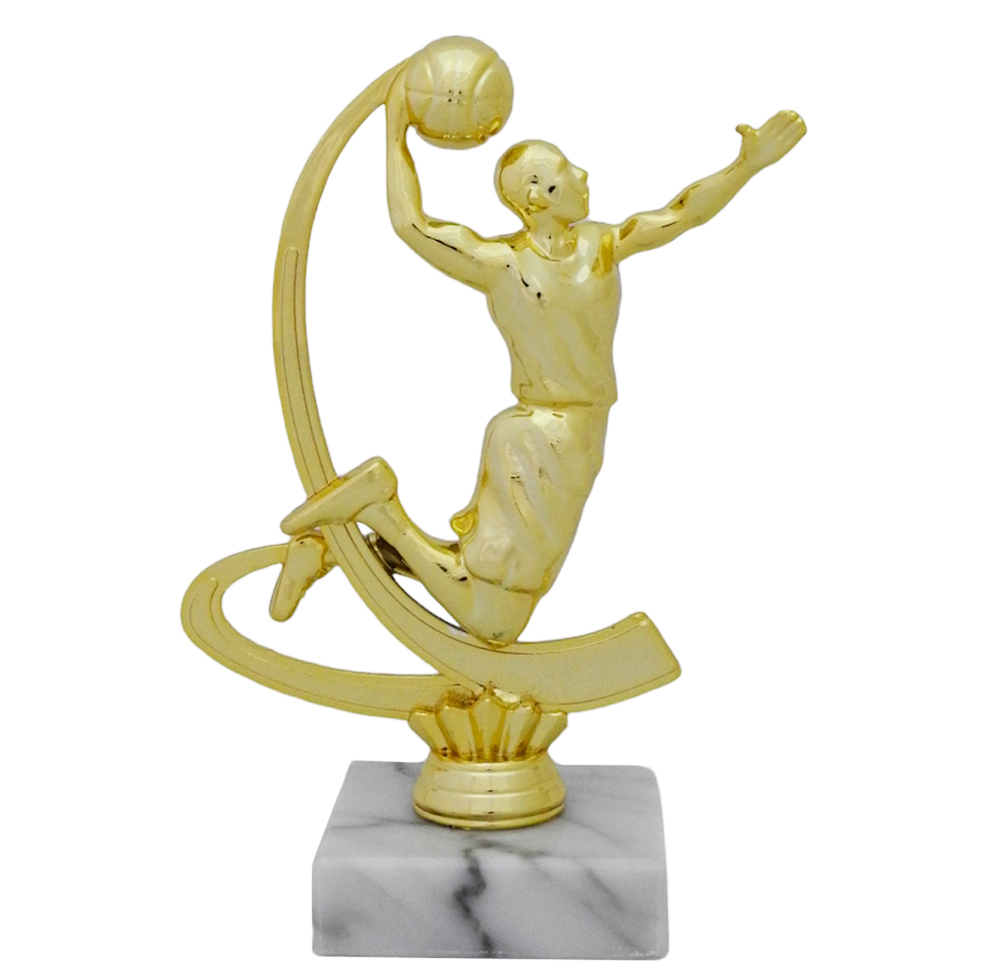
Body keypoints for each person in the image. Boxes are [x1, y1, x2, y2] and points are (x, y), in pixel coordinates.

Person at [271, 73, 805, 645]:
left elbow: (683, 211)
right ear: (536, 196)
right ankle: (378, 504)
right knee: (497, 618)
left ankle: (332, 550)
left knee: (482, 575)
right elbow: (681, 213)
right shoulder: (553, 254)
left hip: (539, 432)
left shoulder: (558, 252)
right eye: (565, 171)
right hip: (556, 440)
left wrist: (747, 165)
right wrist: (393, 126)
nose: (582, 175)